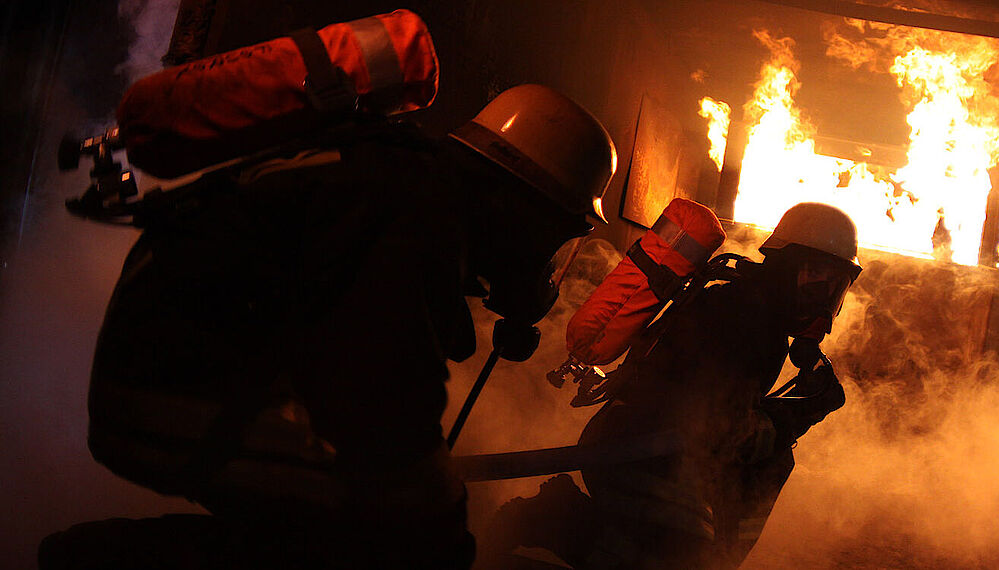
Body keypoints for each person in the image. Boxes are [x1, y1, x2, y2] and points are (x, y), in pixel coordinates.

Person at [39, 84, 617, 569]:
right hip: (161, 391)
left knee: (356, 521)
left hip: (171, 373)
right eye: (553, 232)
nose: (545, 255)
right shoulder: (410, 217)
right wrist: (442, 537)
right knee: (370, 526)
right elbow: (383, 407)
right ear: (517, 202)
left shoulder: (404, 178)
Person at [479, 202, 861, 569]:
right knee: (679, 560)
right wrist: (798, 414)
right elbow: (720, 429)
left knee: (691, 552)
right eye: (815, 276)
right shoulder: (746, 319)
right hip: (639, 452)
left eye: (834, 286)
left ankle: (569, 520)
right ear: (786, 264)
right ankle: (554, 518)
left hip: (651, 450)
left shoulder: (751, 307)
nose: (822, 298)